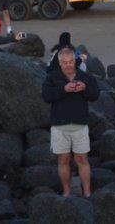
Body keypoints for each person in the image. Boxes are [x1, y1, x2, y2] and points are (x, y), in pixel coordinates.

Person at [42, 46, 100, 198]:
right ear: (60, 63)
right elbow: (46, 97)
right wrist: (64, 89)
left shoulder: (85, 77)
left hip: (80, 125)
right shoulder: (52, 77)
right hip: (59, 126)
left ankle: (87, 192)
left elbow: (95, 96)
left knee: (82, 159)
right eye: (64, 62)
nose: (68, 65)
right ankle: (66, 192)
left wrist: (85, 88)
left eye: (70, 61)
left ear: (75, 61)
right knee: (63, 160)